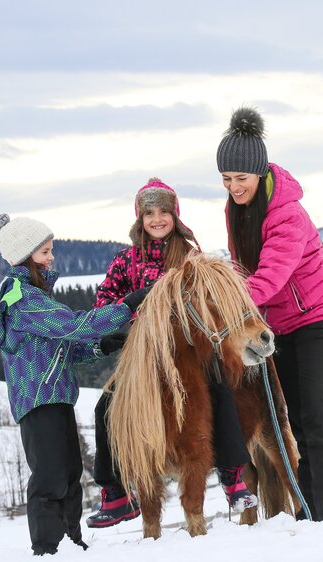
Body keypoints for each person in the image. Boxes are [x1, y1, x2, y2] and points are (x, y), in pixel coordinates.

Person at [86, 178, 257, 528]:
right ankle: (116, 491)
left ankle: (231, 474)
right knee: (106, 406)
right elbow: (103, 302)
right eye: (149, 213)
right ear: (140, 219)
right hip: (143, 355)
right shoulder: (126, 260)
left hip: (189, 350)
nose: (157, 219)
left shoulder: (190, 256)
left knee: (221, 390)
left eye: (163, 211)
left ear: (174, 215)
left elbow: (211, 299)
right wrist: (126, 316)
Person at [0, 214, 149, 556]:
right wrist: (125, 308)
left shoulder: (35, 295)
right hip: (38, 402)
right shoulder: (24, 300)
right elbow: (72, 326)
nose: (51, 257)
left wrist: (104, 344)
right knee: (50, 476)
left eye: (50, 250)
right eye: (44, 251)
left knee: (70, 474)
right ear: (25, 256)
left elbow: (63, 350)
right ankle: (46, 547)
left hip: (55, 397)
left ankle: (71, 540)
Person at [217, 107, 323, 521]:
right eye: (226, 179)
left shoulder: (286, 212)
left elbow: (269, 277)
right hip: (283, 327)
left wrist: (229, 309)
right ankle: (311, 509)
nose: (234, 186)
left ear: (259, 173)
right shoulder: (235, 210)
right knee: (296, 418)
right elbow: (242, 269)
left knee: (318, 412)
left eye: (241, 178)